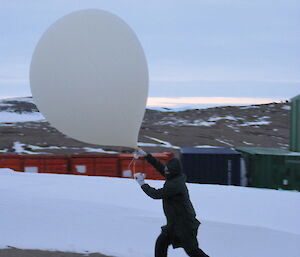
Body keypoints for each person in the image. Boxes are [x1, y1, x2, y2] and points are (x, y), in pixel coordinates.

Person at [134, 148, 210, 257]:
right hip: (174, 224)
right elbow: (161, 167)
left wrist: (142, 184)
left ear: (173, 172)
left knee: (193, 251)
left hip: (185, 225)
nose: (165, 171)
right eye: (166, 170)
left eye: (168, 171)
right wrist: (146, 156)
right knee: (161, 244)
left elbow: (156, 194)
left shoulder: (175, 185)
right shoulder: (174, 176)